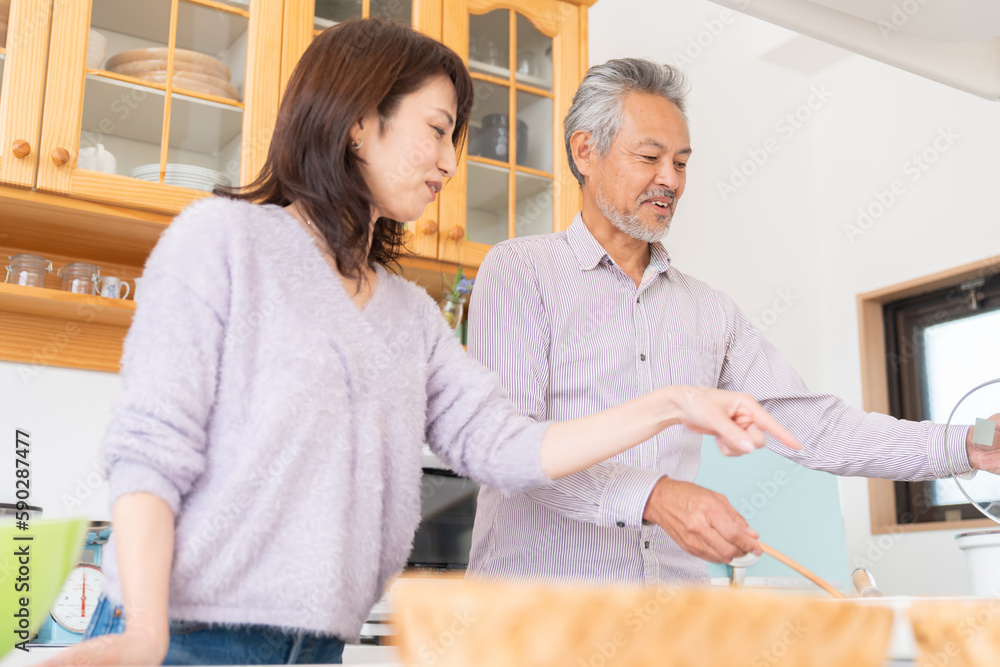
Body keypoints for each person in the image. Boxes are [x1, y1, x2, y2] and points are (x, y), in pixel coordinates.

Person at [40, 25, 802, 667]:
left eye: (455, 139)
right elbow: (152, 446)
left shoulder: (407, 313)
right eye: (436, 130)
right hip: (190, 635)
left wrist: (673, 404)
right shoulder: (224, 241)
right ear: (357, 121)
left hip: (317, 644)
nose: (448, 162)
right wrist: (143, 628)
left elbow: (506, 445)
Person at [465, 58, 1000, 585]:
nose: (668, 180)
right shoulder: (520, 271)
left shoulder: (709, 311)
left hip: (672, 620)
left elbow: (814, 429)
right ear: (586, 151)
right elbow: (512, 449)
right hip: (536, 619)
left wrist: (967, 446)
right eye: (649, 156)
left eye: (681, 162)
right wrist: (656, 495)